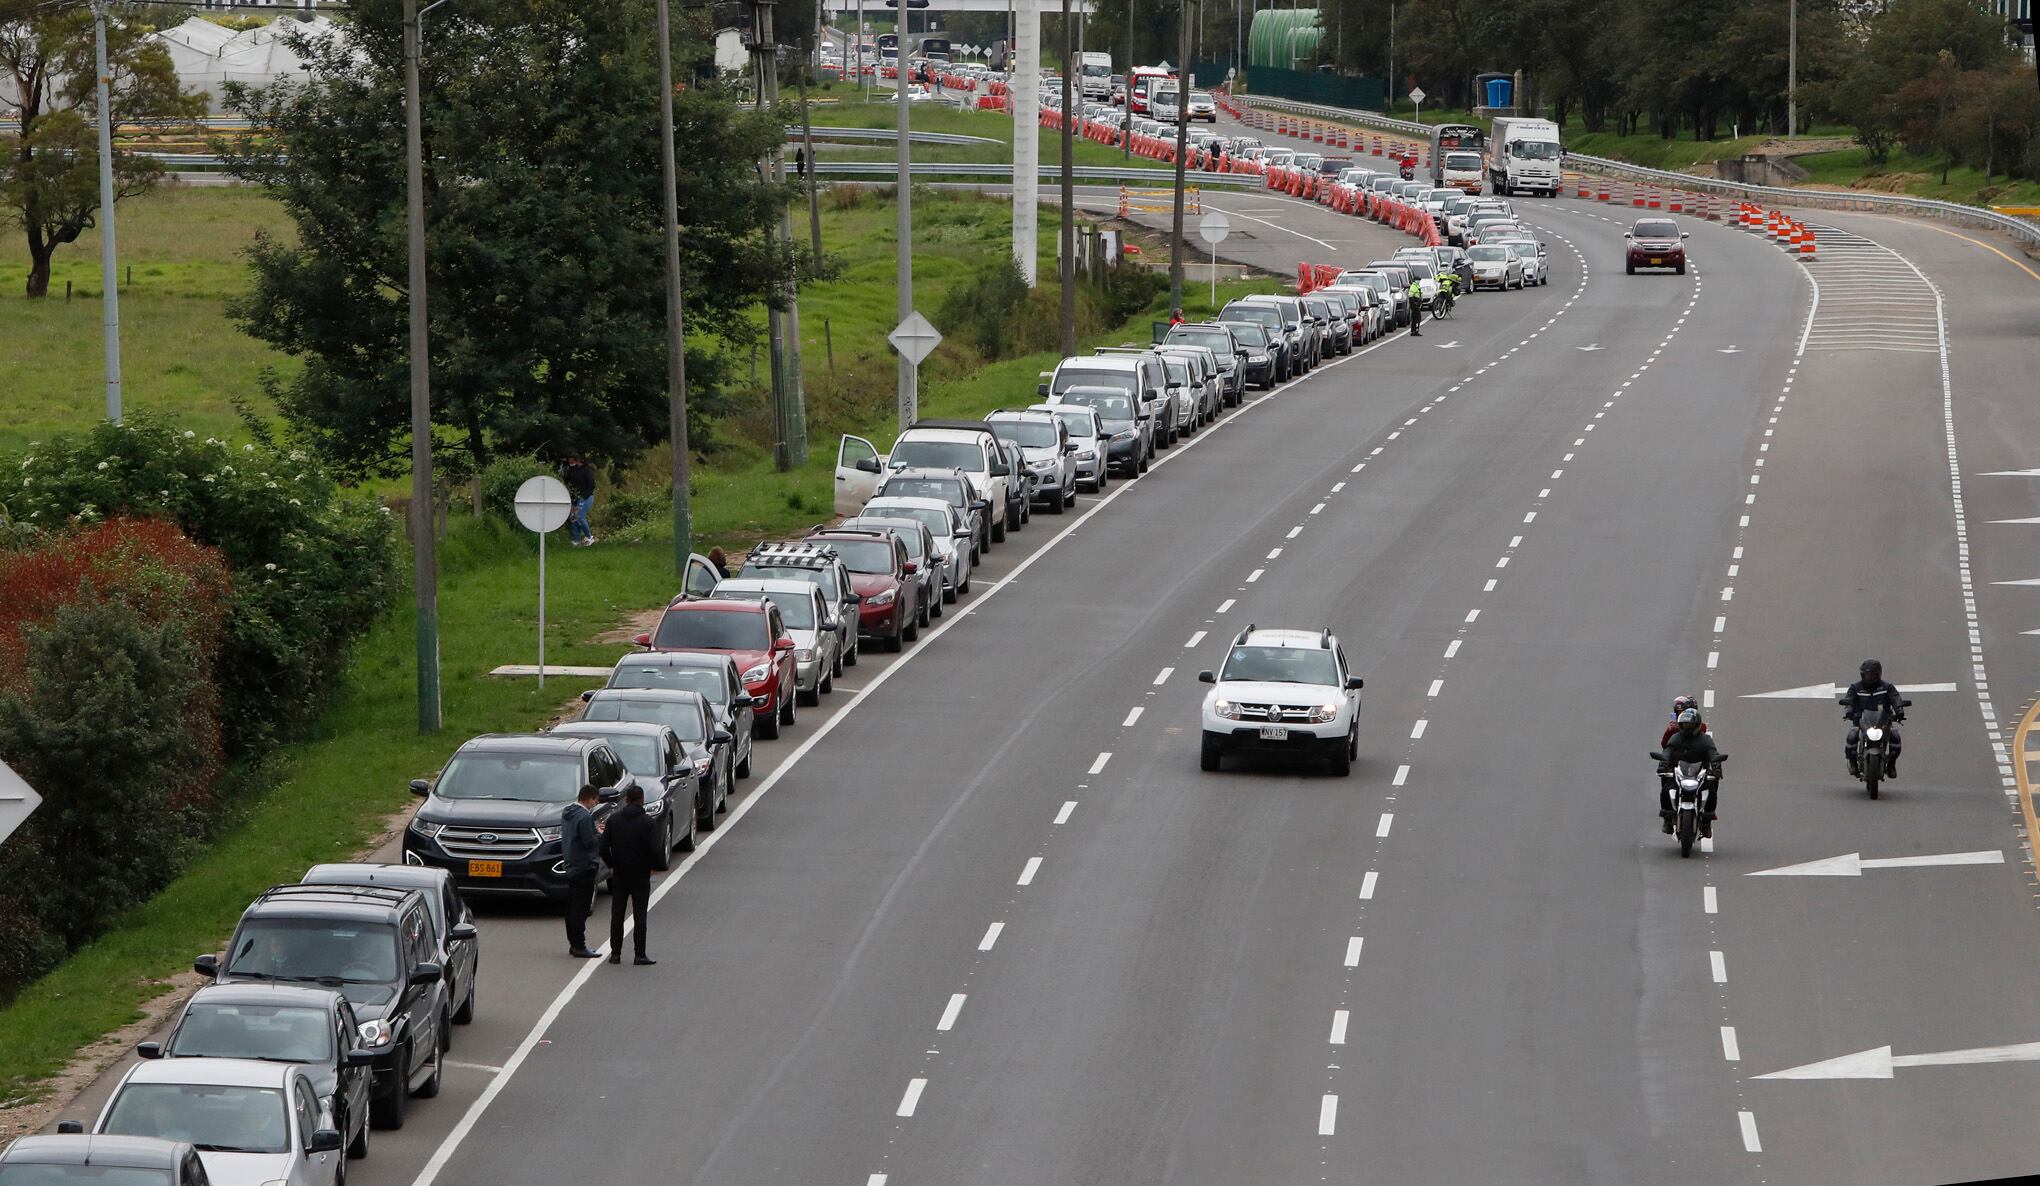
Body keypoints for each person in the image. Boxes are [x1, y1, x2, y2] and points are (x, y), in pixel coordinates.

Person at [601, 785, 660, 966]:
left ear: (626, 800)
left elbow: (603, 847)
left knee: (617, 913)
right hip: (640, 874)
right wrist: (651, 866)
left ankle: (616, 953)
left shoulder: (614, 820)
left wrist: (612, 864)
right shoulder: (648, 823)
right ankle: (639, 954)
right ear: (642, 800)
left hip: (620, 872)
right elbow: (654, 850)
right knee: (640, 914)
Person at [1657, 708, 1723, 835]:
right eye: (1685, 724)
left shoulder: (1705, 740)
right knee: (1666, 788)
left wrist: (1716, 768)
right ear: (1680, 725)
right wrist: (1663, 765)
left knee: (1711, 790)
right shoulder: (1675, 738)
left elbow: (1713, 753)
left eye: (1690, 724)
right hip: (1680, 773)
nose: (1688, 727)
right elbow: (1667, 751)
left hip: (1699, 774)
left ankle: (1706, 822)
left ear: (1697, 725)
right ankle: (1667, 817)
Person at [1842, 658, 1906, 778]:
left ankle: (1891, 764)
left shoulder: (1887, 687)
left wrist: (1899, 711)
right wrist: (1849, 711)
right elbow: (1849, 700)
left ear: (1878, 674)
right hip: (1861, 722)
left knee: (1895, 736)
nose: (1869, 678)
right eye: (1867, 675)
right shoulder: (1855, 687)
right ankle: (1852, 762)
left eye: (1872, 675)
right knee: (1852, 735)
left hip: (1883, 722)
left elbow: (1896, 698)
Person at [561, 785, 602, 958]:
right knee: (581, 908)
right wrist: (599, 833)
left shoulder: (567, 813)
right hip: (584, 866)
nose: (595, 803)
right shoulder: (584, 816)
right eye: (595, 800)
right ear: (589, 798)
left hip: (571, 864)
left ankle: (573, 942)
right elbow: (588, 842)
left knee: (571, 907)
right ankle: (579, 944)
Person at [562, 454, 597, 547]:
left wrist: (584, 496)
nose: (572, 464)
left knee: (580, 517)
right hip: (574, 498)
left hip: (585, 497)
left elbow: (591, 485)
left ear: (578, 461)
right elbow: (568, 480)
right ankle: (576, 540)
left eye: (573, 462)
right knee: (573, 518)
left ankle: (589, 537)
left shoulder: (587, 471)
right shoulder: (573, 470)